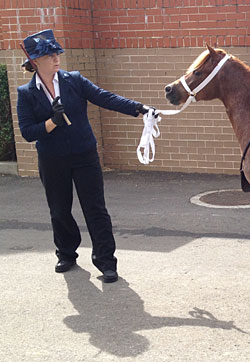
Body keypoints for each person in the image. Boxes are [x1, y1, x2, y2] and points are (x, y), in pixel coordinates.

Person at [17, 29, 153, 283]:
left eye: (57, 53)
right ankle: (66, 253)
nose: (57, 59)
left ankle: (106, 262)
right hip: (52, 159)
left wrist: (138, 109)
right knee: (59, 210)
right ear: (35, 62)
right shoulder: (27, 93)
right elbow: (26, 132)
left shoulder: (74, 80)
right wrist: (51, 122)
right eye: (49, 56)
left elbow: (104, 97)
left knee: (95, 209)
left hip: (84, 154)